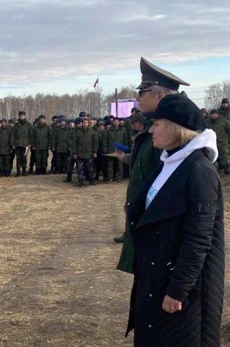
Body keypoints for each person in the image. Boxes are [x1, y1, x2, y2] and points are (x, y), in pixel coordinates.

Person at [125, 92, 224, 346]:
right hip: (155, 277)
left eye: (157, 124)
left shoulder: (199, 170)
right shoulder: (170, 162)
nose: (152, 130)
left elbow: (199, 239)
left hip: (181, 292)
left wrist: (177, 290)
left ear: (174, 128)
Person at [115, 57, 189, 263]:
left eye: (142, 93)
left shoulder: (171, 135)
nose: (138, 98)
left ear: (160, 96)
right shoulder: (152, 132)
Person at [74, 118, 99, 186]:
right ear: (81, 123)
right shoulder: (78, 133)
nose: (85, 123)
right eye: (83, 122)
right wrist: (75, 153)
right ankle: (80, 181)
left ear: (88, 123)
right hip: (80, 154)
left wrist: (94, 152)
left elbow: (96, 142)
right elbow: (75, 143)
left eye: (86, 122)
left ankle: (92, 181)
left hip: (89, 154)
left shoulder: (93, 132)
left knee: (91, 169)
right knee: (80, 169)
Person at [204, 109, 230, 174]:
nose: (213, 115)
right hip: (212, 142)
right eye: (212, 114)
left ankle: (227, 168)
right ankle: (218, 168)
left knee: (224, 155)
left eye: (215, 114)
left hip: (222, 141)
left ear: (217, 114)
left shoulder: (224, 121)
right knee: (215, 156)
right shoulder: (207, 122)